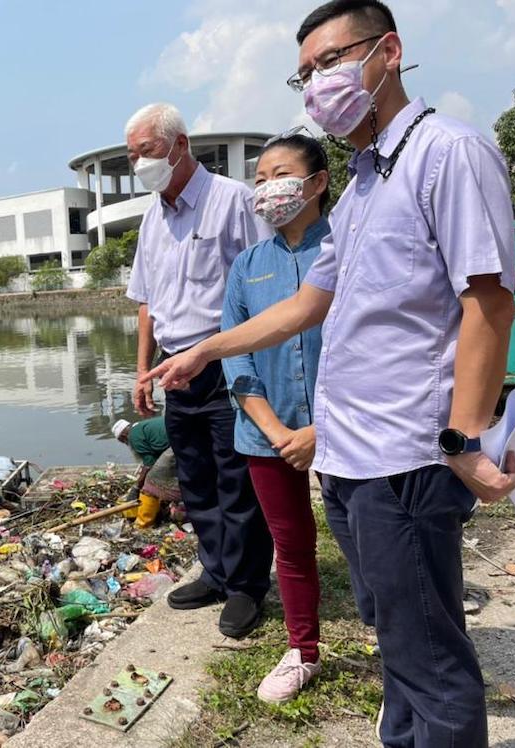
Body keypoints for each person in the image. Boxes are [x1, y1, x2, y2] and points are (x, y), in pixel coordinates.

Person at [142, 2, 515, 744]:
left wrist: (465, 437)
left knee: (431, 657)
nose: (318, 84)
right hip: (349, 459)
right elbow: (311, 304)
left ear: (389, 52)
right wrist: (206, 351)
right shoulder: (364, 183)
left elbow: (489, 300)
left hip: (404, 455)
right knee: (400, 650)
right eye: (306, 72)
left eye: (331, 61)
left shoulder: (448, 151)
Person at [125, 101, 274, 638]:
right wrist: (144, 371)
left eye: (148, 151)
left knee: (238, 478)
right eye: (133, 155)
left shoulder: (232, 201)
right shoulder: (152, 218)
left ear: (180, 145)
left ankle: (247, 586)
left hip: (227, 361)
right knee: (195, 478)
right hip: (174, 369)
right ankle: (214, 571)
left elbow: (268, 281)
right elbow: (146, 301)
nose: (140, 163)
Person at [220, 131, 332, 703]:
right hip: (268, 435)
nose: (267, 189)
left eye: (279, 175)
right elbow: (236, 354)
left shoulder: (345, 246)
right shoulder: (248, 266)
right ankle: (303, 651)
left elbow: (370, 345)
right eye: (259, 179)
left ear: (317, 183)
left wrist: (322, 429)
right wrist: (278, 431)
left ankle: (401, 652)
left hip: (345, 430)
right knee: (291, 545)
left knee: (370, 542)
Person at [112, 416, 171, 527]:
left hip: (178, 441)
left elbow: (149, 465)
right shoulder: (141, 427)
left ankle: (144, 523)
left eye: (123, 442)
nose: (126, 444)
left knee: (151, 483)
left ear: (124, 436)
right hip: (182, 434)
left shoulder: (133, 437)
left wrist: (137, 486)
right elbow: (154, 456)